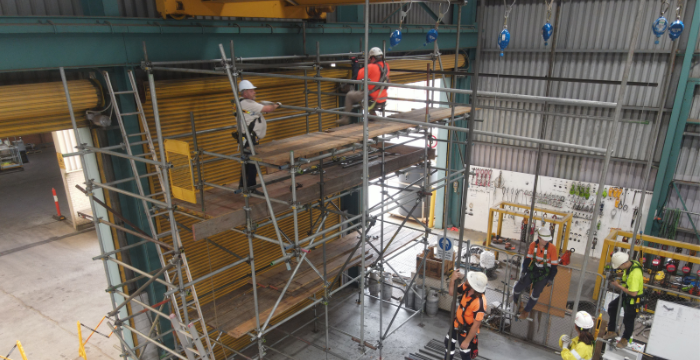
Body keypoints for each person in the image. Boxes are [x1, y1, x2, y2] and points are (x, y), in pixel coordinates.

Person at [234, 80, 280, 193]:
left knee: (247, 163)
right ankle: (251, 188)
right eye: (251, 90)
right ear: (244, 93)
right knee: (252, 164)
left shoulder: (246, 104)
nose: (254, 92)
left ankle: (243, 186)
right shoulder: (246, 103)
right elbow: (268, 109)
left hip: (249, 139)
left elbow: (256, 112)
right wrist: (277, 105)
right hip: (249, 140)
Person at [512, 227, 559, 320]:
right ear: (539, 238)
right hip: (533, 270)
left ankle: (526, 311)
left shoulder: (552, 248)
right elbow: (528, 260)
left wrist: (550, 278)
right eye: (545, 240)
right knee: (517, 288)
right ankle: (518, 304)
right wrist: (523, 271)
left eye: (548, 240)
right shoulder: (533, 245)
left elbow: (554, 267)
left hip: (544, 274)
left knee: (535, 294)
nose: (547, 241)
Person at [337, 47, 390, 125]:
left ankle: (345, 118)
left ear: (372, 58)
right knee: (366, 92)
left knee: (349, 95)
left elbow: (356, 75)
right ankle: (373, 117)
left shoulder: (371, 67)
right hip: (382, 98)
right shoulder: (386, 66)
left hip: (373, 99)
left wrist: (355, 62)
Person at [602, 252, 644, 348]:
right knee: (612, 307)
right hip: (626, 295)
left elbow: (633, 293)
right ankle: (611, 331)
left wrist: (617, 285)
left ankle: (625, 339)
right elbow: (625, 273)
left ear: (623, 264)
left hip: (633, 299)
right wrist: (617, 275)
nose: (619, 269)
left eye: (619, 267)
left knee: (628, 320)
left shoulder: (635, 274)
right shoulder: (631, 264)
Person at [445, 270, 488, 360]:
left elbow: (476, 325)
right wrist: (452, 279)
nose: (467, 279)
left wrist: (467, 341)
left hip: (466, 331)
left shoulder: (480, 303)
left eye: (470, 280)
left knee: (464, 353)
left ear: (474, 286)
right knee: (448, 343)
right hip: (456, 324)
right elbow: (452, 293)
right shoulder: (466, 287)